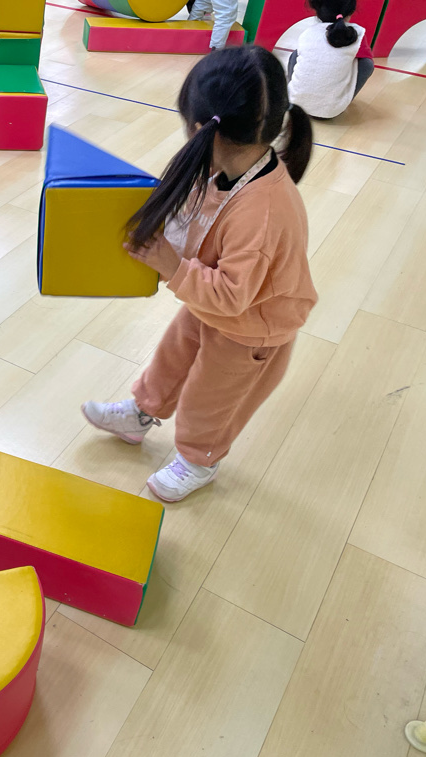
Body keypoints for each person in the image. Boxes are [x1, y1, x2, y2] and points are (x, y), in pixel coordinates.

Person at [82, 46, 318, 503]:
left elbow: (233, 296)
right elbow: (196, 222)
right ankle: (142, 413)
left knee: (211, 398)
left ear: (199, 127)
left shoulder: (262, 212)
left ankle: (199, 459)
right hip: (211, 297)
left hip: (253, 326)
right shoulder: (225, 168)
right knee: (171, 358)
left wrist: (172, 267)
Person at [287, 0, 374, 119]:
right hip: (331, 111)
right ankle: (342, 100)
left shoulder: (308, 32)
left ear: (317, 10)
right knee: (367, 64)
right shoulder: (357, 34)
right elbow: (366, 64)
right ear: (351, 11)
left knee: (296, 54)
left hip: (296, 103)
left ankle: (297, 90)